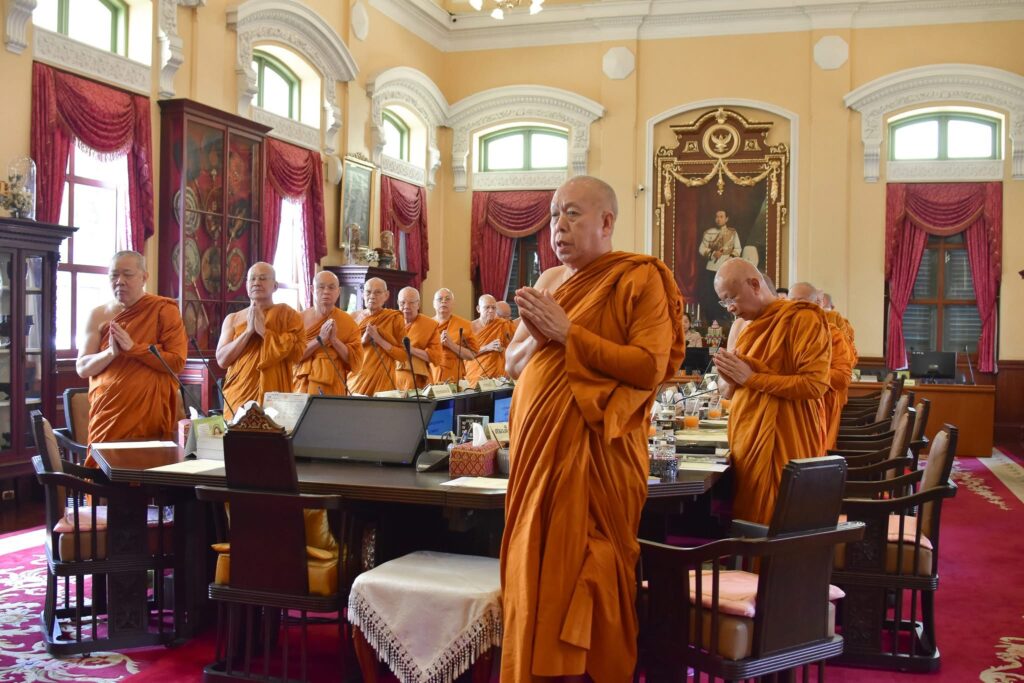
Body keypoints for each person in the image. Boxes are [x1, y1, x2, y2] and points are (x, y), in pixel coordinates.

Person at [502, 175, 685, 681]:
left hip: (598, 455)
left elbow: (648, 366)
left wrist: (568, 333)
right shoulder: (547, 284)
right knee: (532, 562)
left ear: (606, 222)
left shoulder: (639, 278)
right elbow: (512, 363)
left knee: (595, 562)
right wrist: (542, 335)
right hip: (537, 453)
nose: (557, 227)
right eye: (553, 215)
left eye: (571, 214)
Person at [712, 258, 831, 526]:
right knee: (749, 516)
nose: (730, 308)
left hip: (788, 434)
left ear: (755, 285)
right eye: (723, 301)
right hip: (747, 437)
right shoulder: (741, 326)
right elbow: (727, 391)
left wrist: (752, 378)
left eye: (732, 298)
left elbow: (815, 385)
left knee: (779, 521)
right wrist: (729, 378)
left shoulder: (802, 318)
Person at [76, 251, 187, 460]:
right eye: (114, 275)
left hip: (150, 415)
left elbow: (177, 362)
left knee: (149, 471)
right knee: (106, 471)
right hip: (109, 413)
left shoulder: (163, 310)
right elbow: (82, 368)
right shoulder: (98, 314)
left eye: (127, 274)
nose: (120, 281)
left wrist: (135, 349)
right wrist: (110, 353)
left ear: (144, 277)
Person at [216, 262, 304, 419]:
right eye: (252, 279)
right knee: (237, 433)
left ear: (275, 286)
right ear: (246, 285)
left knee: (275, 433)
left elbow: (298, 354)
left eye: (262, 278)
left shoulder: (288, 316)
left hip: (276, 394)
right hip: (240, 393)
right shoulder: (233, 319)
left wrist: (264, 332)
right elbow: (222, 360)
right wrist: (248, 332)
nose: (256, 282)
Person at [788, 282, 854, 450]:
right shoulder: (782, 332)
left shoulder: (832, 333)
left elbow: (843, 377)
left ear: (818, 303)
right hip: (789, 405)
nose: (796, 307)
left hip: (821, 405)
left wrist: (812, 376)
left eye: (801, 302)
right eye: (791, 302)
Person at [293, 271, 362, 396]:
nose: (326, 291)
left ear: (338, 291)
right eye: (321, 287)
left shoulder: (348, 322)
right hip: (302, 385)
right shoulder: (299, 319)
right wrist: (320, 339)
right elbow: (293, 356)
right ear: (312, 290)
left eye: (331, 287)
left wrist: (334, 341)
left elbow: (356, 361)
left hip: (333, 385)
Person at [348, 277, 406, 395]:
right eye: (368, 292)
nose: (372, 296)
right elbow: (346, 352)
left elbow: (403, 356)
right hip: (356, 381)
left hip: (383, 380)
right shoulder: (353, 317)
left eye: (377, 292)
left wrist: (379, 340)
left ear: (386, 295)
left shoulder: (394, 318)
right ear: (363, 294)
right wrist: (363, 340)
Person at [698, 209, 742, 323]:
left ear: (726, 219)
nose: (718, 219)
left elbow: (738, 248)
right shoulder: (709, 232)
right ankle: (711, 319)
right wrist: (713, 253)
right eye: (717, 217)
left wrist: (730, 258)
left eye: (721, 216)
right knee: (711, 295)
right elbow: (702, 248)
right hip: (711, 268)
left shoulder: (732, 233)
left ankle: (724, 318)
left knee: (725, 294)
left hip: (726, 269)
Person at [395, 286, 443, 391]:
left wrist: (411, 350)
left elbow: (436, 357)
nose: (406, 307)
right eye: (402, 303)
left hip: (417, 380)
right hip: (391, 378)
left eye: (411, 303)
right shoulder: (391, 322)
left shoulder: (429, 325)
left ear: (418, 304)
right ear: (398, 303)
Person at [430, 288, 478, 385]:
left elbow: (472, 355)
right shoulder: (426, 325)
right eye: (440, 299)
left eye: (447, 299)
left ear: (453, 304)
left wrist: (451, 345)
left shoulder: (464, 325)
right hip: (431, 374)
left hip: (453, 377)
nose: (443, 301)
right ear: (434, 304)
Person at [467, 294, 515, 383]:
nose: (491, 311)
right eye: (487, 307)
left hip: (498, 376)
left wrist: (502, 349)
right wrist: (486, 348)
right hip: (475, 375)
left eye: (493, 308)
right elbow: (464, 354)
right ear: (478, 309)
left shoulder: (503, 325)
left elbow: (514, 349)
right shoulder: (469, 327)